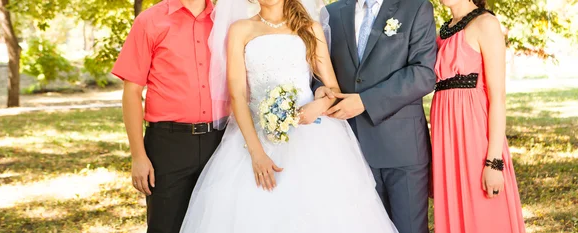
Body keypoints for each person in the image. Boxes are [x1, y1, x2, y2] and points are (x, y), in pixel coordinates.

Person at [178, 0, 398, 232]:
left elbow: (333, 89)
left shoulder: (310, 28)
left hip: (313, 136)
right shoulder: (240, 29)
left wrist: (319, 104)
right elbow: (238, 96)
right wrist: (257, 153)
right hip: (256, 138)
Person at [316, 0, 437, 232]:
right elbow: (321, 70)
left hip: (402, 151)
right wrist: (320, 88)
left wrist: (365, 101)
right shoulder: (331, 13)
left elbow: (423, 73)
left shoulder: (416, 7)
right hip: (350, 148)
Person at [111, 0, 224, 232]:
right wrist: (138, 156)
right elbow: (132, 92)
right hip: (168, 145)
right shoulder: (149, 20)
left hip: (220, 142)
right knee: (165, 226)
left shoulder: (224, 21)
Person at [429, 0, 526, 232]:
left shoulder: (486, 24)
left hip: (474, 135)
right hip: (446, 136)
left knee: (483, 214)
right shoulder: (441, 32)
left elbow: (498, 97)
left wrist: (494, 162)